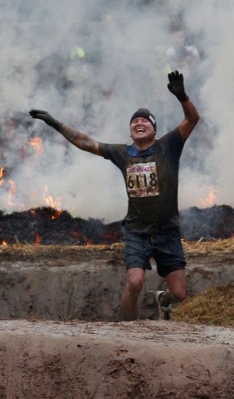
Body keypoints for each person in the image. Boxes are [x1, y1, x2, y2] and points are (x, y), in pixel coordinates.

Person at [29, 71, 200, 321]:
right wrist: (55, 123)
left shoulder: (169, 146)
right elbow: (85, 142)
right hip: (137, 232)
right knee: (134, 282)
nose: (138, 123)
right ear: (131, 131)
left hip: (168, 232)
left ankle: (163, 301)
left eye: (145, 121)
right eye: (134, 122)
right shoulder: (123, 153)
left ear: (154, 129)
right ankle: (126, 329)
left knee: (180, 294)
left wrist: (182, 96)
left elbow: (193, 118)